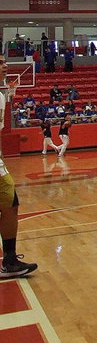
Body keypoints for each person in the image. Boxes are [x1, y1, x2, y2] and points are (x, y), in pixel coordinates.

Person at [0, 54, 38, 278]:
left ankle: (10, 260)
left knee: (11, 204)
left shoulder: (2, 97)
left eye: (5, 62)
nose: (6, 67)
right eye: (1, 63)